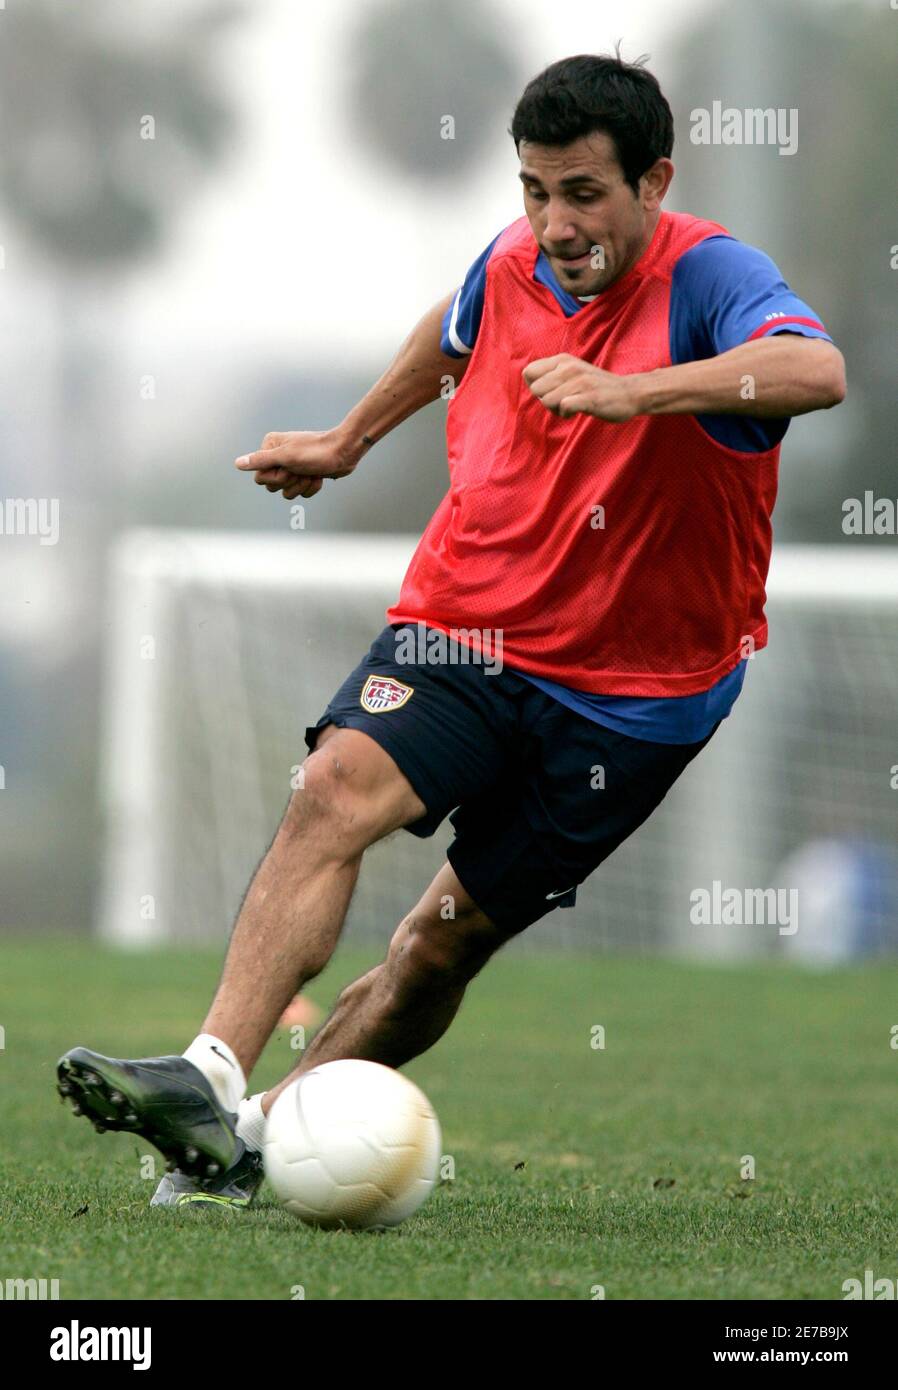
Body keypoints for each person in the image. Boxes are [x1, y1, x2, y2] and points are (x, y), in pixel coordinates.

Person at [58, 51, 845, 1209]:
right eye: (533, 190)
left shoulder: (711, 276)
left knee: (439, 944)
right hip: (467, 626)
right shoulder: (514, 259)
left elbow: (814, 369)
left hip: (632, 702)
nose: (553, 223)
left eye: (582, 192)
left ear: (653, 181)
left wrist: (634, 392)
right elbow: (457, 326)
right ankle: (208, 1071)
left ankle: (260, 1142)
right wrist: (346, 441)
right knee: (333, 789)